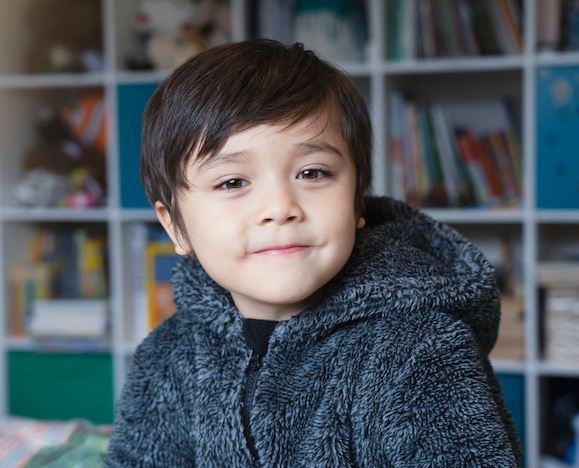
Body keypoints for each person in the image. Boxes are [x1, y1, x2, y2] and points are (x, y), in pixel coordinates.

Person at [105, 38, 522, 467]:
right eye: (232, 182)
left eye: (312, 172)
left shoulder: (420, 351)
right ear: (175, 225)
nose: (280, 208)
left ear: (358, 201)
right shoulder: (168, 355)